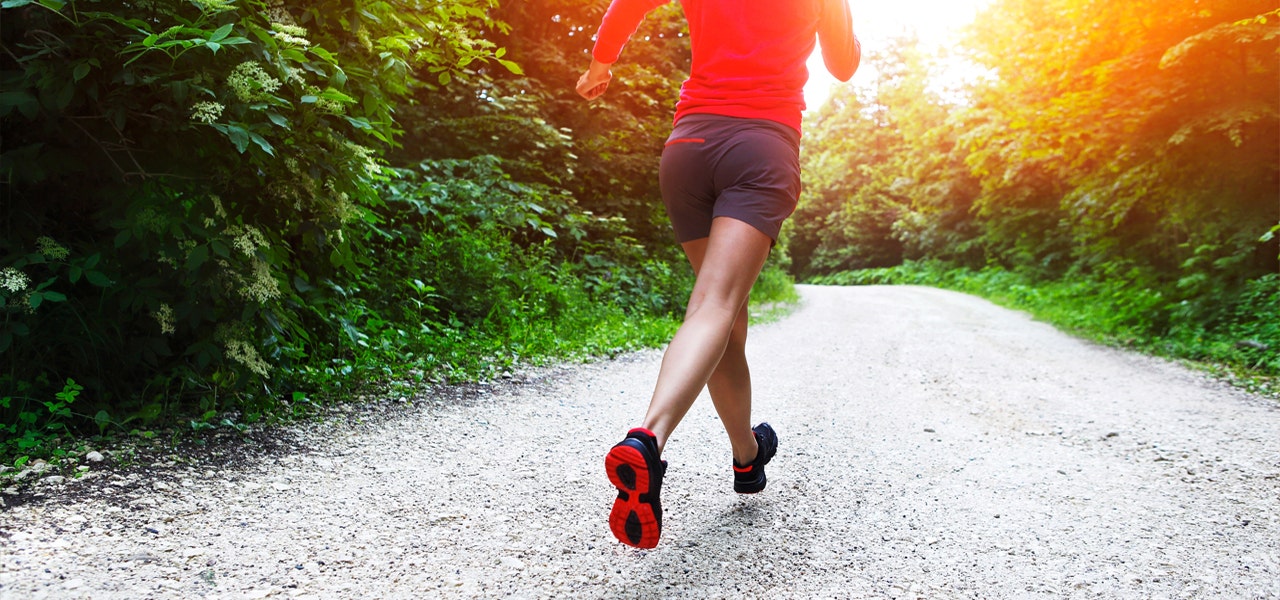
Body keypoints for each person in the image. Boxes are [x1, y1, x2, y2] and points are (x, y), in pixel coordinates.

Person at [577, 0, 860, 549]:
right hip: (760, 147)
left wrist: (599, 65)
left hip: (688, 148)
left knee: (726, 316)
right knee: (715, 306)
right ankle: (648, 440)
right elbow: (843, 65)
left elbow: (625, 6)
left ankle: (747, 458)